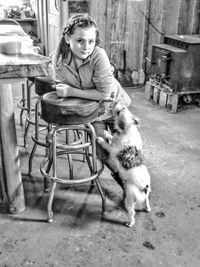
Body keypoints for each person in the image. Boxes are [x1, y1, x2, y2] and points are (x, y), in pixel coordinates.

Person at [52, 14, 131, 191]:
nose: (86, 47)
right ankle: (125, 181)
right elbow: (61, 88)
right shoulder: (59, 62)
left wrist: (71, 91)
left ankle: (137, 181)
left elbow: (105, 93)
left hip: (116, 104)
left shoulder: (98, 55)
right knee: (101, 148)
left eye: (91, 41)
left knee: (128, 146)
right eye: (80, 40)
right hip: (94, 110)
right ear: (67, 38)